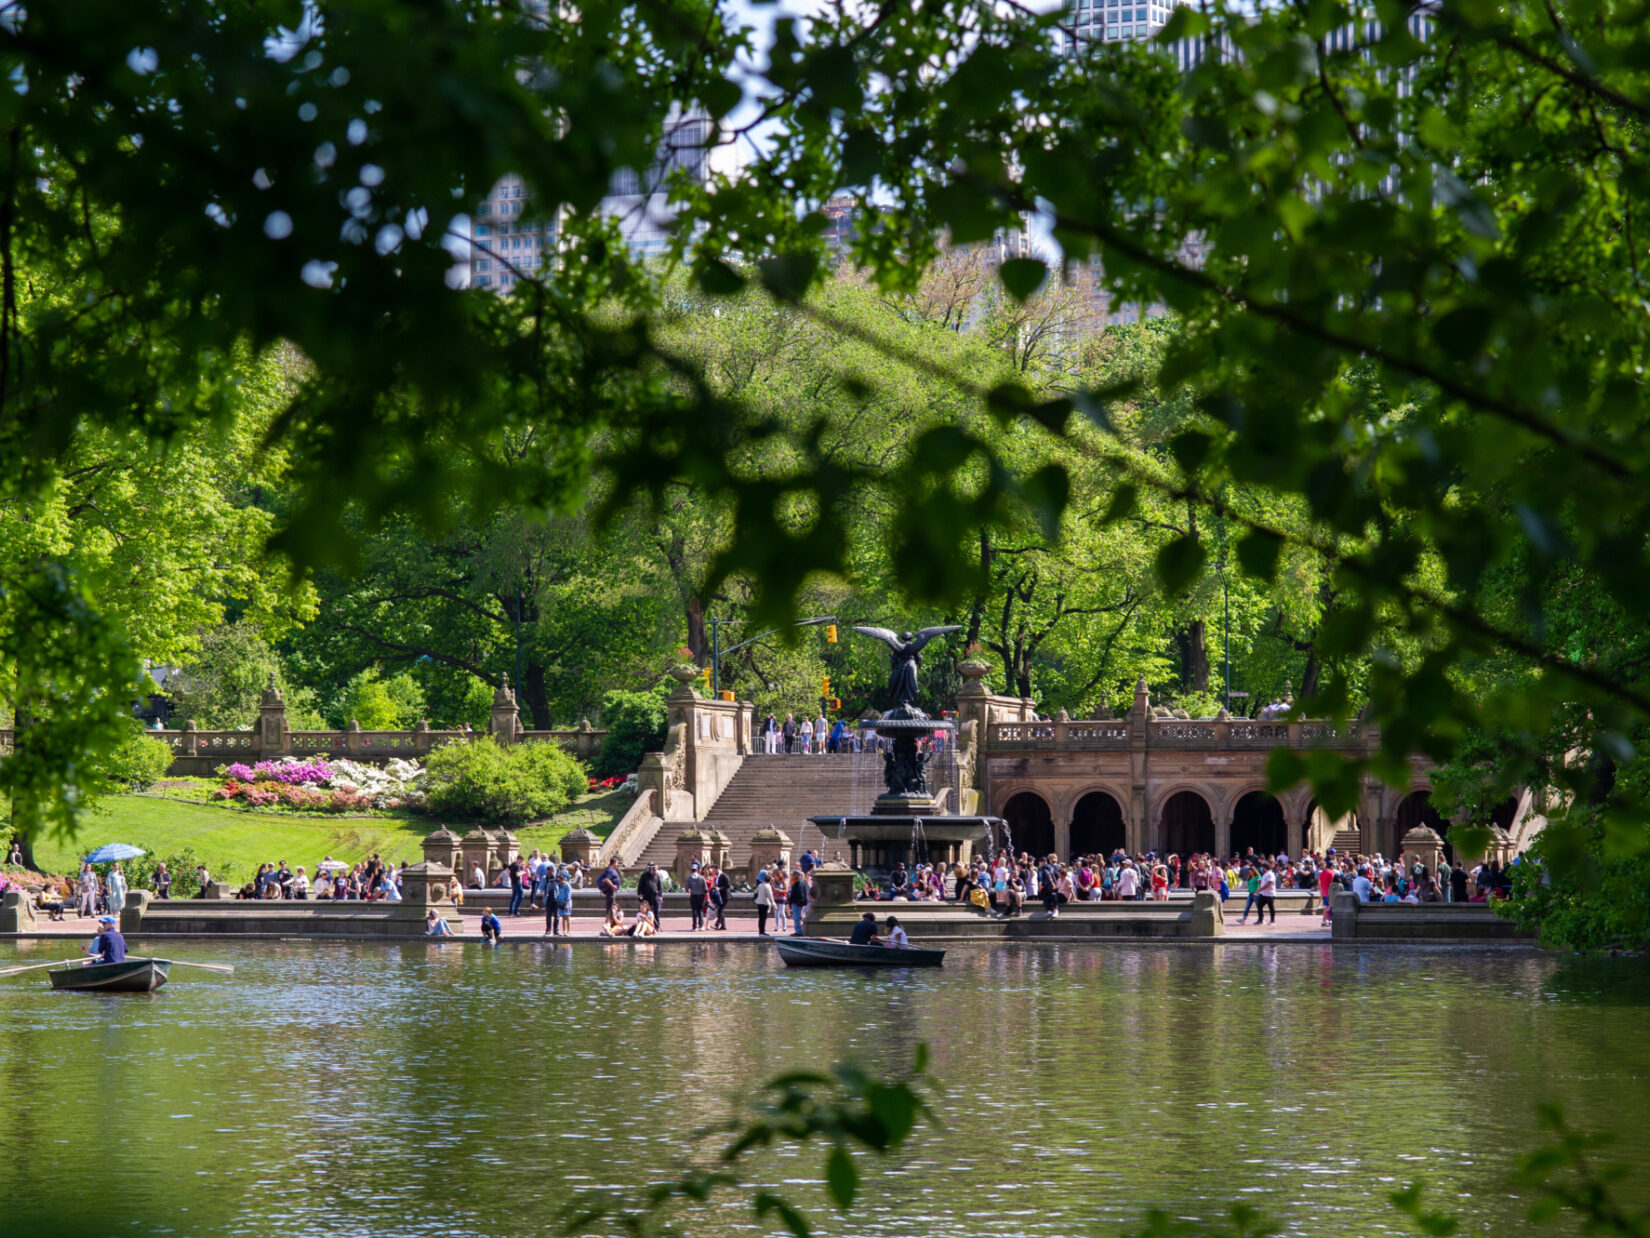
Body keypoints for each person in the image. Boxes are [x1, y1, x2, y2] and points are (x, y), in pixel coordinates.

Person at [636, 863, 664, 928]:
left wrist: (660, 895)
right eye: (650, 868)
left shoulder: (657, 876)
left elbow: (660, 887)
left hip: (655, 896)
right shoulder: (644, 876)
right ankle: (646, 924)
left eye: (652, 868)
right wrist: (639, 894)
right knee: (645, 911)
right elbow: (640, 885)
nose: (651, 870)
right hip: (646, 896)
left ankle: (657, 926)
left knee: (656, 912)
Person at [787, 867, 810, 935]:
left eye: (793, 875)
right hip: (799, 902)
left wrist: (791, 900)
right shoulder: (801, 881)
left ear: (797, 875)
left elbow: (797, 893)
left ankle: (799, 932)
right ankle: (798, 931)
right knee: (797, 917)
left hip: (797, 902)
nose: (792, 876)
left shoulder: (798, 883)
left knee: (796, 917)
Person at [753, 870, 776, 936]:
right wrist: (774, 904)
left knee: (760, 917)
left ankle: (760, 931)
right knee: (763, 918)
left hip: (759, 902)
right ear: (770, 880)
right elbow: (770, 896)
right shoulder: (768, 886)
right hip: (765, 903)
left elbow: (755, 892)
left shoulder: (760, 885)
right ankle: (762, 931)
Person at [687, 862, 708, 931]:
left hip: (693, 895)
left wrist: (691, 890)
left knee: (694, 911)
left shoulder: (689, 878)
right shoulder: (701, 878)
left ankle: (694, 926)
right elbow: (705, 888)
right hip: (701, 896)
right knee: (700, 911)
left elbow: (687, 888)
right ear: (697, 870)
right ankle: (701, 925)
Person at [553, 868, 573, 936]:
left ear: (563, 879)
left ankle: (568, 931)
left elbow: (568, 896)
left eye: (560, 881)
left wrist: (567, 904)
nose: (559, 882)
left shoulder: (567, 885)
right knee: (563, 917)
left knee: (567, 917)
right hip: (561, 903)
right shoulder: (559, 885)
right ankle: (564, 931)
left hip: (566, 903)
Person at [712, 863, 731, 930]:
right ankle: (723, 926)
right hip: (720, 896)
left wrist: (720, 888)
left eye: (714, 870)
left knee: (720, 910)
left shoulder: (724, 875)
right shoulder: (717, 877)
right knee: (720, 910)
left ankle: (716, 925)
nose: (713, 872)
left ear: (717, 869)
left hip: (725, 896)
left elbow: (728, 885)